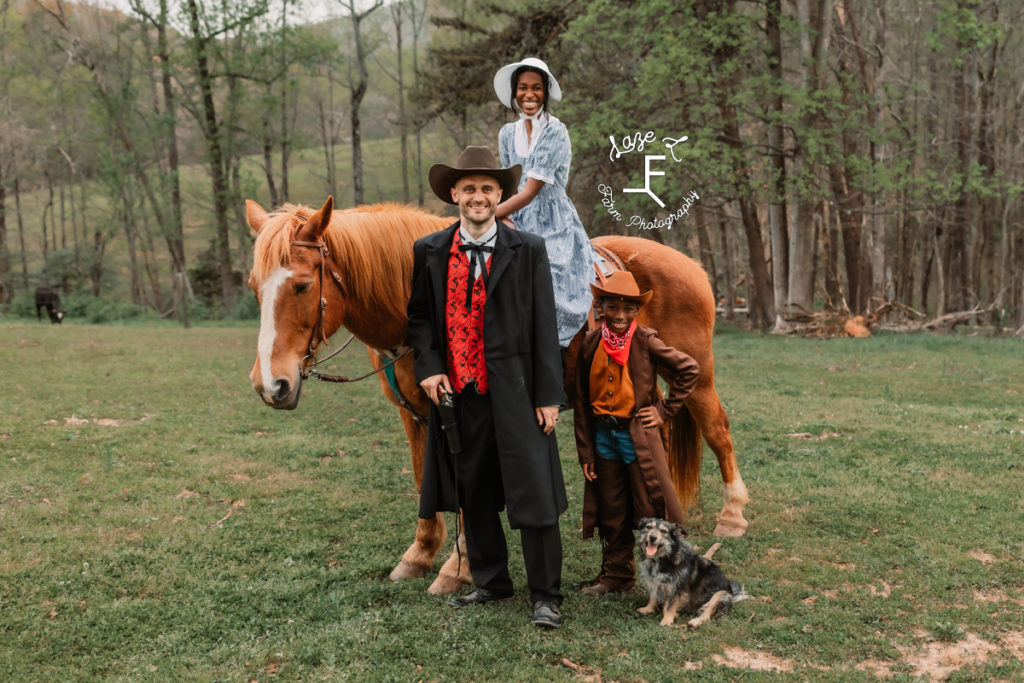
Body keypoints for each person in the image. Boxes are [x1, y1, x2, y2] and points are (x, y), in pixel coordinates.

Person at [406, 145, 567, 628]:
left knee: (533, 491)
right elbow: (419, 320)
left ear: (501, 195)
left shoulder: (528, 249)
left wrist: (548, 396)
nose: (478, 196)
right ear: (454, 193)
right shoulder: (429, 251)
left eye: (487, 189)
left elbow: (544, 325)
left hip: (518, 392)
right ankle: (492, 582)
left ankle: (545, 595)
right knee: (471, 490)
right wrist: (430, 367)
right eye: (469, 188)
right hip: (460, 394)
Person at [573, 271, 701, 596]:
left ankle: (667, 579)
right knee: (611, 508)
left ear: (636, 311)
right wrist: (586, 451)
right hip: (603, 435)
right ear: (599, 307)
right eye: (612, 308)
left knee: (649, 505)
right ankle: (616, 576)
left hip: (637, 435)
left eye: (628, 309)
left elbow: (688, 369)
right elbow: (581, 400)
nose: (620, 316)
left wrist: (663, 411)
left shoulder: (645, 340)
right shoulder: (590, 343)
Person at [493, 57, 595, 348]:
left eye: (536, 88)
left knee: (551, 280)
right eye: (523, 87)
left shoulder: (555, 131)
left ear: (545, 92)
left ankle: (557, 353)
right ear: (514, 92)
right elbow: (510, 185)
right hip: (513, 215)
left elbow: (530, 191)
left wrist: (487, 215)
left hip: (550, 220)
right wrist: (500, 216)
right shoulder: (507, 134)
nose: (529, 94)